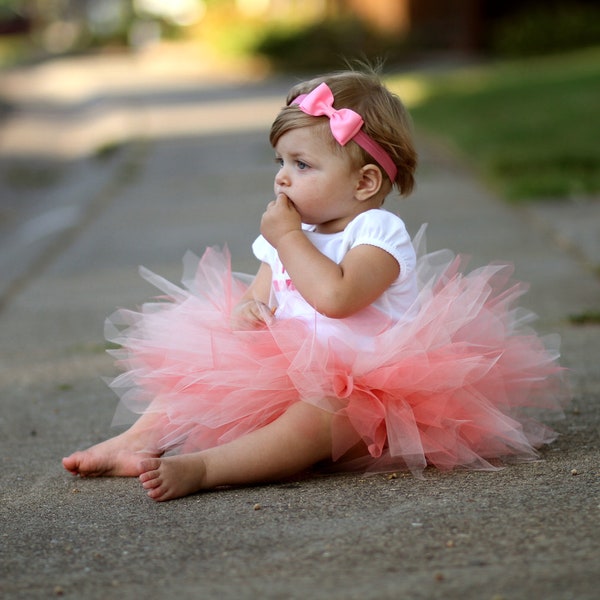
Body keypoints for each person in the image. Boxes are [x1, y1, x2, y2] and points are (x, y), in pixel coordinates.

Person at [63, 68, 567, 501]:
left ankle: (206, 468)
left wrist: (287, 240)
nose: (282, 179)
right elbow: (262, 292)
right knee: (196, 369)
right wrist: (249, 312)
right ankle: (137, 438)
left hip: (366, 388)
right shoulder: (295, 231)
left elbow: (337, 298)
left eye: (301, 165)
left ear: (364, 183)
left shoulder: (377, 234)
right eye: (280, 162)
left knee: (312, 424)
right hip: (286, 370)